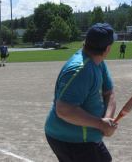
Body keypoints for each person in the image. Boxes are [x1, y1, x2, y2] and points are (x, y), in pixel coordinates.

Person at [44, 23, 118, 162]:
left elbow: (109, 92)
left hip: (86, 136)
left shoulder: (98, 62)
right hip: (70, 139)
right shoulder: (81, 70)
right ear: (107, 49)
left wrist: (107, 121)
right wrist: (101, 124)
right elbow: (64, 110)